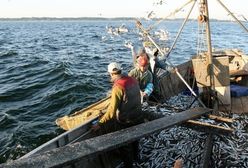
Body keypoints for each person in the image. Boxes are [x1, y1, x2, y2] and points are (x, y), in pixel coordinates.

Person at [92, 62, 143, 168]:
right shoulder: (133, 79)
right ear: (121, 70)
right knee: (135, 140)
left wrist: (99, 123)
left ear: (111, 74)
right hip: (139, 118)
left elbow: (111, 113)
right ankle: (137, 158)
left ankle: (129, 165)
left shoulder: (118, 87)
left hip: (126, 122)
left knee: (125, 146)